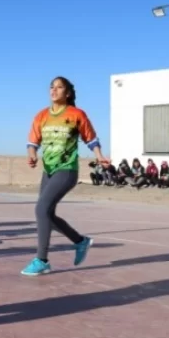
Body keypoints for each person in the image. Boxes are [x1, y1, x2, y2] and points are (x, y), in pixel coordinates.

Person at [21, 76, 109, 277]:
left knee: (41, 209)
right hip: (48, 171)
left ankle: (41, 260)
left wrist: (99, 156)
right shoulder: (41, 115)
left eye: (59, 87)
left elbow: (91, 138)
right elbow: (32, 142)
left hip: (67, 170)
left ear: (67, 93)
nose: (53, 90)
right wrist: (32, 155)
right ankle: (80, 241)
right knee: (46, 214)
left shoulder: (76, 114)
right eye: (51, 87)